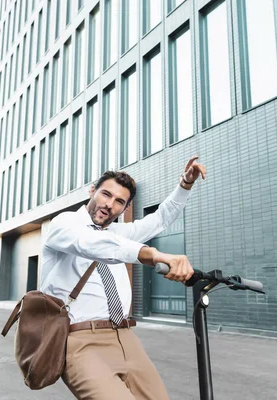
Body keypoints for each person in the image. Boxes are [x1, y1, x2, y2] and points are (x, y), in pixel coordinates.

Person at [40, 156, 207, 400]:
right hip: (80, 340)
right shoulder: (65, 224)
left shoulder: (119, 232)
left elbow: (160, 219)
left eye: (119, 201)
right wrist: (151, 254)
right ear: (92, 191)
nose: (109, 205)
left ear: (125, 208)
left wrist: (185, 184)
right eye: (106, 194)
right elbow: (90, 244)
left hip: (125, 336)